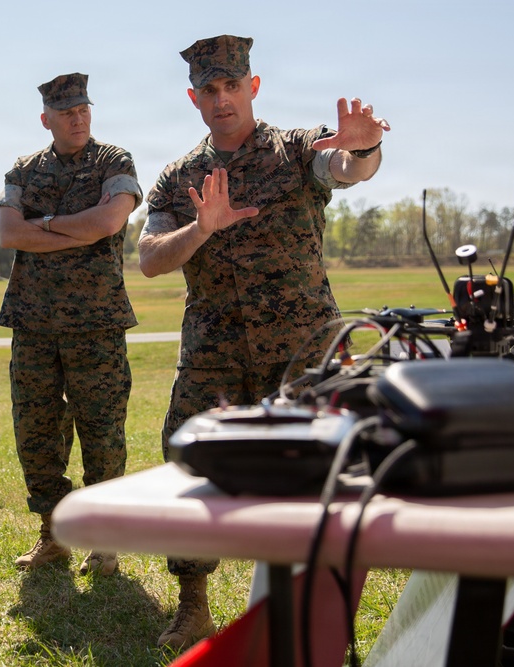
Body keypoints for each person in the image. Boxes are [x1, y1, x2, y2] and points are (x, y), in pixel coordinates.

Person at [138, 35, 389, 650]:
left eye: (232, 86)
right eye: (209, 89)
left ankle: (316, 604)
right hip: (213, 351)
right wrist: (202, 226)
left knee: (319, 476)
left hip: (303, 350)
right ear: (193, 97)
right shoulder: (179, 177)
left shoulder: (296, 149)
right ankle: (192, 602)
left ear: (252, 87)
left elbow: (347, 167)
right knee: (188, 461)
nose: (221, 99)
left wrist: (367, 148)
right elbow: (148, 259)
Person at [0, 73, 141, 576]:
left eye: (83, 110)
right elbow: (8, 234)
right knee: (35, 433)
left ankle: (104, 541)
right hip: (34, 324)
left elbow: (107, 223)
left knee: (101, 432)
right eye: (66, 113)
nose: (77, 119)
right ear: (46, 119)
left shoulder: (113, 161)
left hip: (96, 322)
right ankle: (53, 535)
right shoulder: (23, 169)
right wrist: (73, 229)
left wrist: (47, 224)